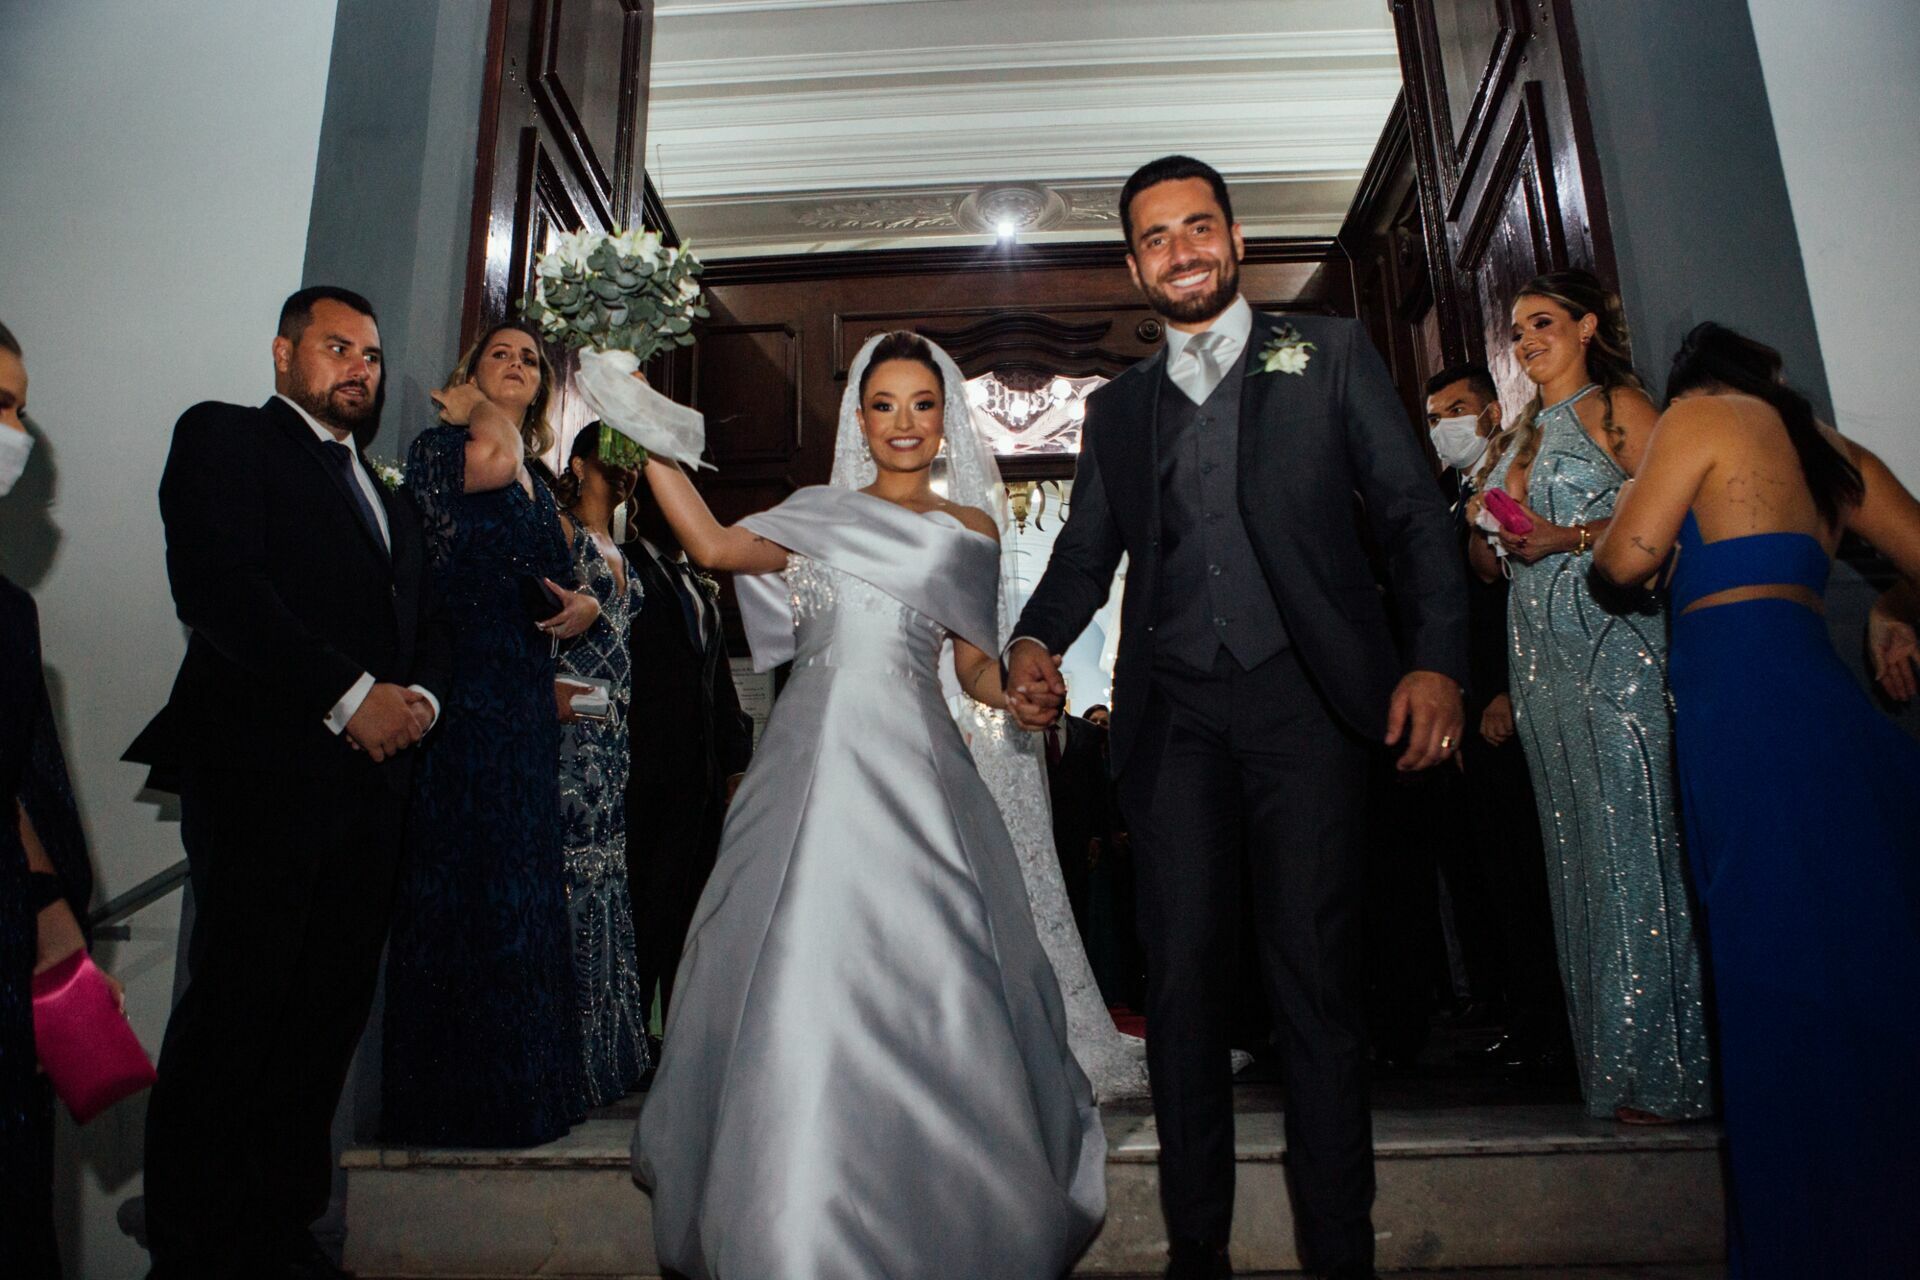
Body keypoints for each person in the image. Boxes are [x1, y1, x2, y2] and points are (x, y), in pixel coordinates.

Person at [1006, 155, 1468, 1280]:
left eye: (1197, 227)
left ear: (1236, 236)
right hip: (1174, 722)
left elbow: (1413, 517)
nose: (1181, 251)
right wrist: (1033, 638)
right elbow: (1083, 553)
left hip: (1308, 704)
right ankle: (1198, 1250)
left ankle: (1337, 1250)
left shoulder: (1333, 355)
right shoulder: (1116, 408)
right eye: (1156, 238)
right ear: (1134, 263)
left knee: (1313, 975)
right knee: (1182, 982)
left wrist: (1439, 663)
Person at [633, 331, 1106, 1279]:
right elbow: (716, 544)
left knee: (931, 978)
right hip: (802, 764)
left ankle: (948, 1196)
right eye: (883, 404)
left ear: (944, 424)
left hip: (914, 772)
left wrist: (1016, 692)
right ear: (859, 419)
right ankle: (784, 1203)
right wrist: (642, 429)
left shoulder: (969, 527)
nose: (903, 423)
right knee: (789, 963)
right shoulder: (813, 514)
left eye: (921, 406)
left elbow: (972, 660)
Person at [135, 287, 450, 1279]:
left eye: (370, 354)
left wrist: (421, 704)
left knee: (323, 1020)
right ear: (283, 353)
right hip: (265, 774)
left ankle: (281, 1232)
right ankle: (196, 1245)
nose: (358, 366)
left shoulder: (393, 499)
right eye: (335, 346)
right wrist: (352, 694)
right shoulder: (226, 438)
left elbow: (425, 628)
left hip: (371, 794)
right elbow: (221, 589)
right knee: (238, 1010)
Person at [1594, 322, 1920, 1276]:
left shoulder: (1696, 418)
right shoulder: (1829, 452)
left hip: (1740, 711)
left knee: (1769, 964)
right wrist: (1896, 609)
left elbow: (1622, 562)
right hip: (1821, 703)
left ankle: (1807, 1240)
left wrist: (1620, 534)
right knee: (1862, 965)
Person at [1472, 270, 1713, 1124]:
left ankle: (1672, 1077)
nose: (1526, 340)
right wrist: (1488, 521)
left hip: (1617, 649)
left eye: (1542, 323)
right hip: (1541, 663)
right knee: (1577, 863)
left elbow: (1684, 512)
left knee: (1637, 854)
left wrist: (1566, 534)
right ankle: (1613, 1072)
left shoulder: (1620, 410)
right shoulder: (1518, 435)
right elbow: (1485, 564)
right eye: (1517, 329)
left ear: (1585, 326)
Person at [381, 321, 601, 1148]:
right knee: (466, 881)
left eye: (530, 361)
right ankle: (454, 1102)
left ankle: (529, 1094)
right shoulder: (442, 450)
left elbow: (570, 577)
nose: (516, 366)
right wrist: (485, 411)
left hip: (521, 695)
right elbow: (493, 466)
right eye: (499, 355)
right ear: (468, 372)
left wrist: (583, 607)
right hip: (461, 690)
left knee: (523, 884)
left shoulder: (543, 482)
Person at [1, 320, 122, 1279]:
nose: (18, 433)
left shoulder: (9, 608)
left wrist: (52, 925)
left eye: (23, 409)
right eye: (1, 407)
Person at [1424, 363, 1567, 1075]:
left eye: (1457, 409)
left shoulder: (1516, 469)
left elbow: (1506, 585)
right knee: (1497, 876)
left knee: (1527, 870)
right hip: (1477, 706)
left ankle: (1553, 1023)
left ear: (1489, 412)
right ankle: (1523, 1010)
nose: (1443, 425)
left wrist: (1507, 689)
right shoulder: (1453, 498)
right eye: (1433, 415)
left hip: (1519, 695)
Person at [621, 465, 753, 1042]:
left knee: (691, 923)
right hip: (644, 777)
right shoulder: (624, 567)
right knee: (644, 916)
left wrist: (735, 765)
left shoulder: (698, 584)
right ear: (646, 505)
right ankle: (625, 1047)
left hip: (698, 786)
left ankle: (676, 1046)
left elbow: (719, 689)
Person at [552, 426, 652, 1108]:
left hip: (614, 739)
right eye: (610, 460)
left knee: (608, 881)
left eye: (631, 464)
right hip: (569, 732)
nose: (622, 473)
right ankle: (563, 1067)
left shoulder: (625, 549)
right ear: (581, 463)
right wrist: (576, 699)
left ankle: (608, 1062)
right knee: (570, 883)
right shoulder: (559, 531)